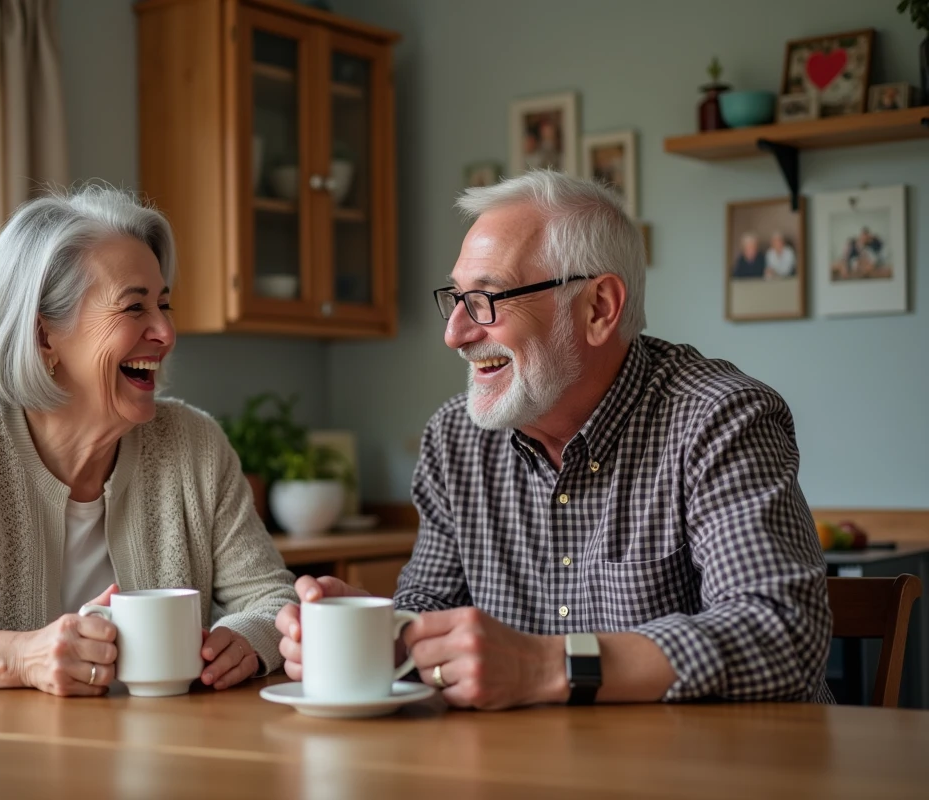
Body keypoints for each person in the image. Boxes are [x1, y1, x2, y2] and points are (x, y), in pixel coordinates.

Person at [276, 171, 831, 709]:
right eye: (457, 298)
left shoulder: (718, 418)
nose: (455, 334)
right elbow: (432, 605)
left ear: (599, 308)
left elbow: (780, 633)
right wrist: (381, 631)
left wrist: (545, 666)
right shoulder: (455, 439)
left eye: (488, 299)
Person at [0, 185, 297, 695]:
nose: (165, 333)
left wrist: (245, 639)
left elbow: (271, 599)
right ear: (44, 337)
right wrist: (17, 657)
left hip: (160, 755)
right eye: (134, 308)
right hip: (1, 763)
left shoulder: (194, 445)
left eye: (164, 304)